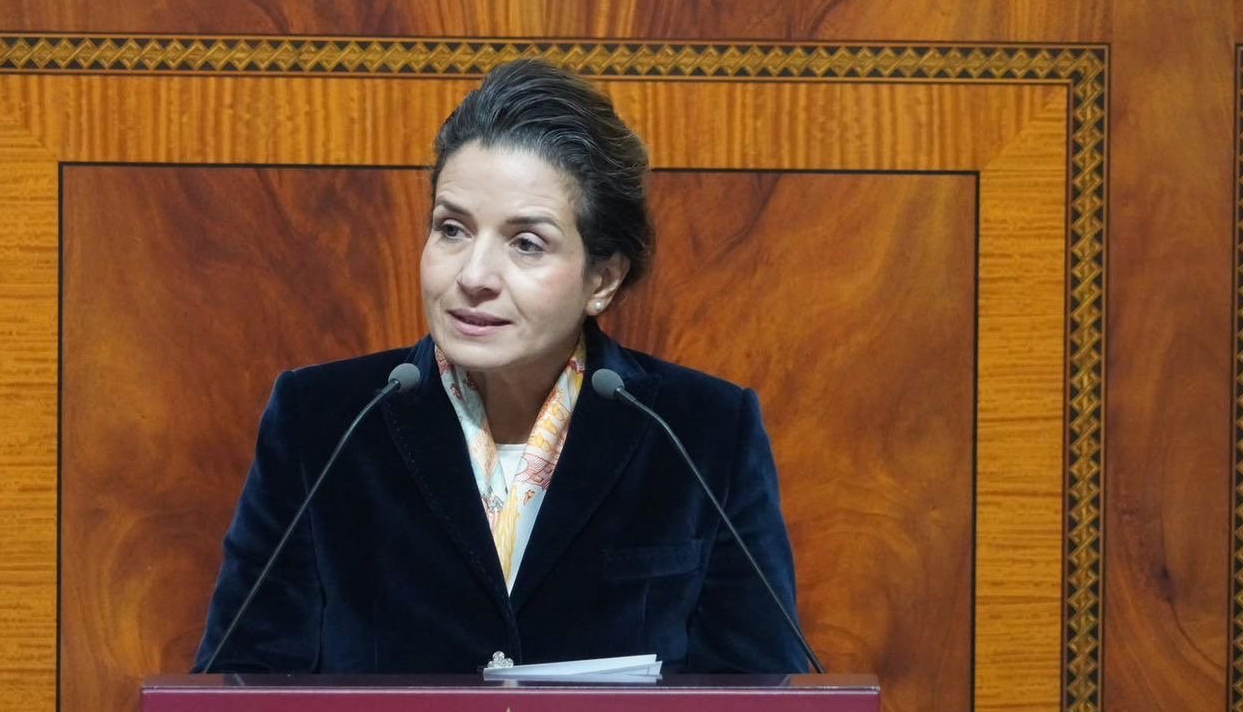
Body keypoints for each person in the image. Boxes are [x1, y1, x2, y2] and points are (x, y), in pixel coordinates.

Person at [194, 59, 809, 675]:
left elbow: (760, 697)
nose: (473, 276)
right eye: (452, 229)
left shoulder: (702, 431)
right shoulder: (322, 421)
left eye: (526, 243)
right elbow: (241, 686)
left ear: (602, 279)